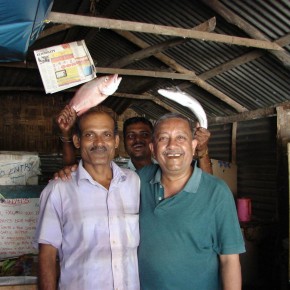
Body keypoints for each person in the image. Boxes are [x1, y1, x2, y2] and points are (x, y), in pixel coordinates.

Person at [34, 105, 141, 290]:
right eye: (90, 135)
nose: (99, 143)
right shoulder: (58, 190)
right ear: (77, 140)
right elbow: (47, 255)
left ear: (116, 141)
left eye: (106, 135)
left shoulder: (133, 182)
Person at [137, 112, 245, 290]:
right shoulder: (138, 181)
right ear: (153, 149)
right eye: (164, 138)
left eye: (181, 137)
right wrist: (72, 169)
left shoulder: (217, 192)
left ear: (194, 146)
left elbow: (229, 260)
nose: (172, 145)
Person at [56, 106, 213, 174]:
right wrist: (66, 135)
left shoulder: (172, 165)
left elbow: (207, 184)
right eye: (131, 136)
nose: (137, 140)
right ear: (122, 141)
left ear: (153, 141)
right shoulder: (118, 174)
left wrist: (202, 149)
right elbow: (74, 172)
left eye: (144, 134)